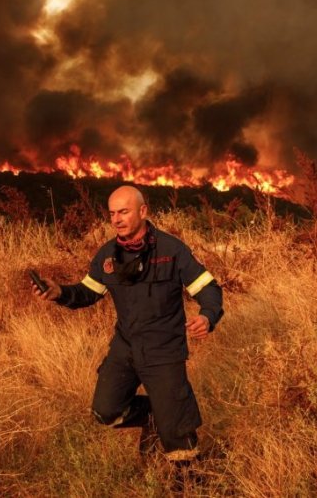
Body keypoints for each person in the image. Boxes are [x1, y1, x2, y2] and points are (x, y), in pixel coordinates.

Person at [32, 185, 223, 463]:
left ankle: (190, 481)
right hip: (126, 348)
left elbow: (209, 288)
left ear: (143, 211)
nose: (116, 219)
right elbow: (88, 292)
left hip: (164, 351)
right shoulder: (107, 255)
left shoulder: (172, 249)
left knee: (178, 436)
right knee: (105, 411)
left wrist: (207, 316)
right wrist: (60, 292)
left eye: (123, 212)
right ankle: (155, 415)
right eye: (112, 213)